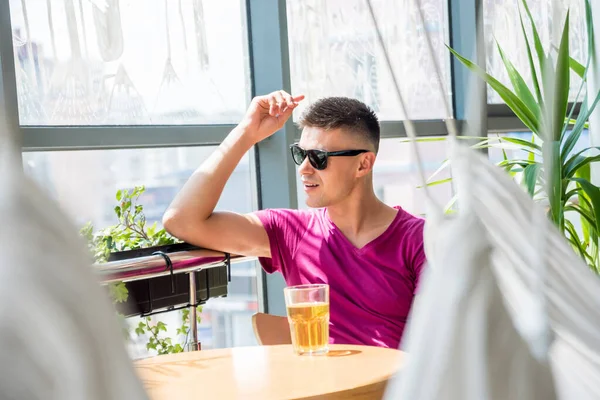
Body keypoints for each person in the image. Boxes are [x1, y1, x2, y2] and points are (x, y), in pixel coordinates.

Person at [163, 90, 426, 349]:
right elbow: (182, 221)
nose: (304, 168)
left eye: (319, 158)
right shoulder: (291, 232)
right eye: (300, 154)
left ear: (363, 164)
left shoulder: (419, 240)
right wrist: (246, 133)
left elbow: (437, 342)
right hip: (318, 388)